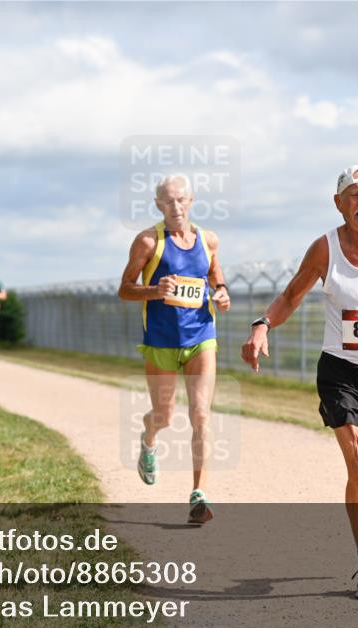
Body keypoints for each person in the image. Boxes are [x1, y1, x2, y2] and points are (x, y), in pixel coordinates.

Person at [241, 164, 358, 600]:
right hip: (342, 373)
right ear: (339, 204)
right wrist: (262, 325)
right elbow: (291, 295)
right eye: (353, 196)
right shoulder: (325, 248)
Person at [118, 174, 231, 524]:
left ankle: (199, 494)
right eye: (168, 201)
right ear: (158, 205)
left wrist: (222, 293)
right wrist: (154, 291)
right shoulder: (148, 242)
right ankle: (149, 438)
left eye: (181, 199)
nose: (176, 206)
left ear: (191, 201)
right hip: (161, 341)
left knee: (201, 414)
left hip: (201, 336)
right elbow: (124, 288)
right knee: (164, 416)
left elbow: (215, 276)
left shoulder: (208, 240)